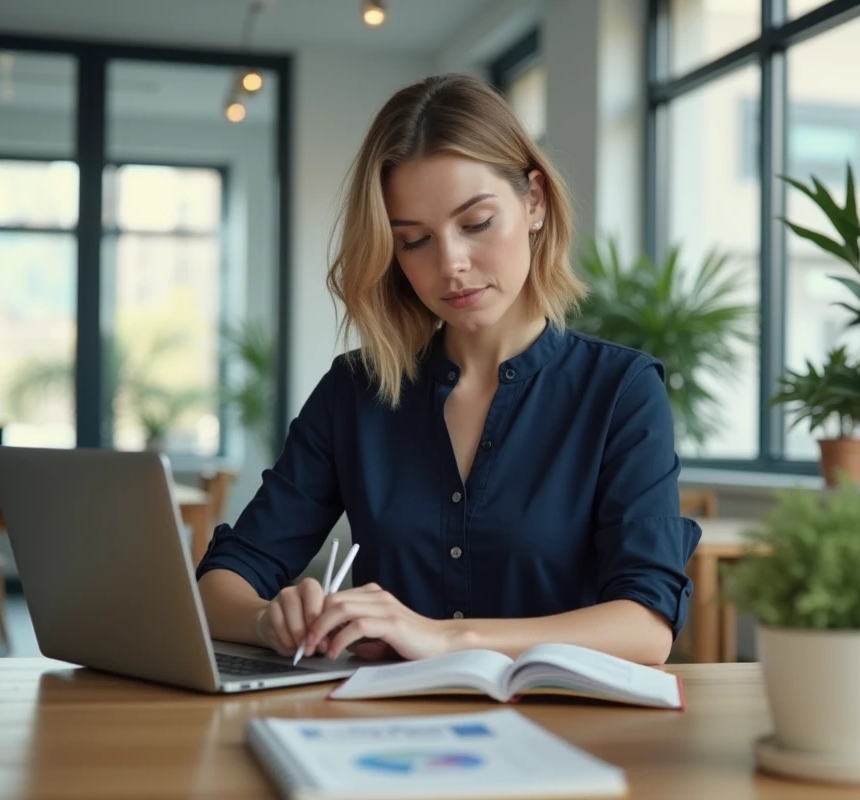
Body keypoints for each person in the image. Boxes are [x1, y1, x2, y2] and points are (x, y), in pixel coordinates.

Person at [195, 73, 701, 667]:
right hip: (385, 737)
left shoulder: (620, 391)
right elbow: (221, 584)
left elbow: (645, 626)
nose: (451, 265)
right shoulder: (356, 392)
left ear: (533, 201)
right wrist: (269, 619)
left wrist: (446, 638)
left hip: (559, 736)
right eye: (415, 241)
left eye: (476, 223)